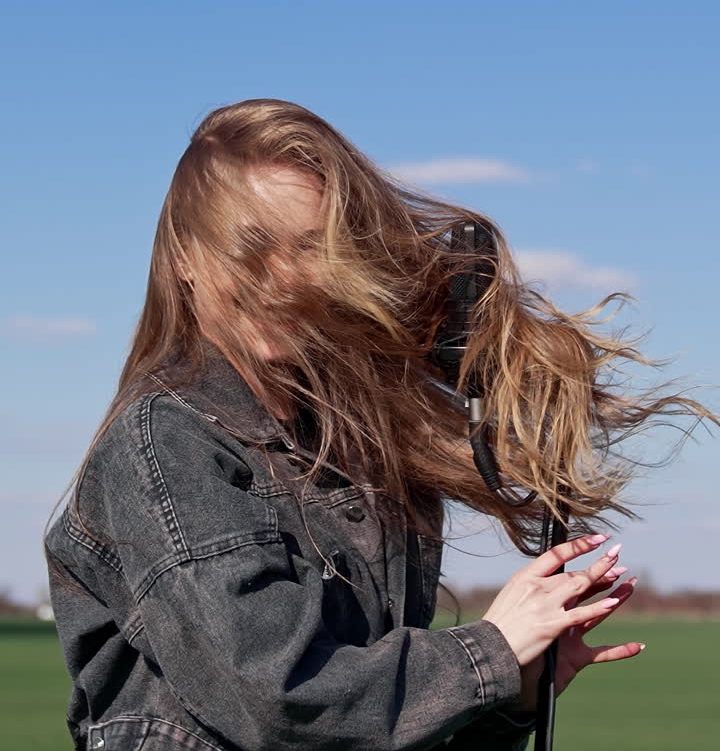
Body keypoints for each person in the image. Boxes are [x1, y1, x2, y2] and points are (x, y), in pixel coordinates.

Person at [43, 98, 716, 751]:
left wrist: (511, 696)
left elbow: (359, 730)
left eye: (311, 247)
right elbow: (276, 704)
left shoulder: (358, 450)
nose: (284, 278)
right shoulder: (169, 439)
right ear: (186, 256)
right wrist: (491, 649)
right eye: (252, 249)